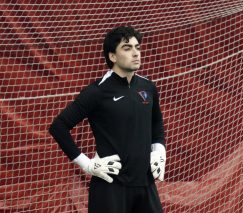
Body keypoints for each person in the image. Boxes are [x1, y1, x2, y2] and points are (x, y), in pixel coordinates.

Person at [49, 26, 166, 213]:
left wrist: (159, 150)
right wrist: (87, 164)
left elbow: (156, 123)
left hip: (145, 184)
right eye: (127, 48)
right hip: (110, 186)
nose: (136, 53)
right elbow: (58, 127)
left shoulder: (148, 87)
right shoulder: (97, 92)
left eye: (137, 47)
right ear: (112, 56)